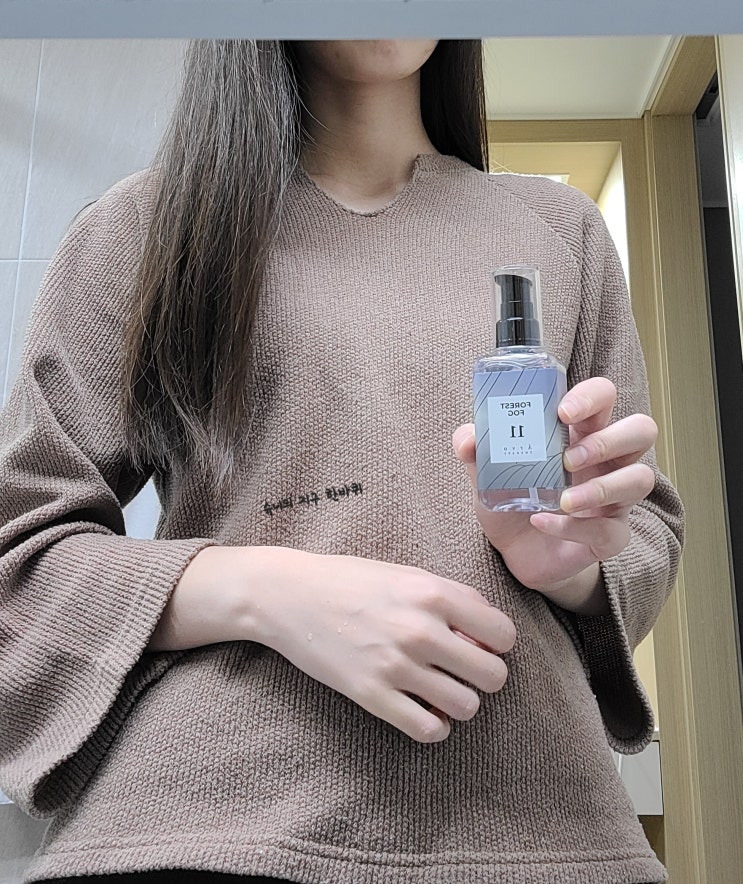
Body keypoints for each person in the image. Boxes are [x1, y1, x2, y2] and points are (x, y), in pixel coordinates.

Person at [0, 39, 683, 884]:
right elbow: (19, 558)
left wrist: (565, 563)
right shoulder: (143, 227)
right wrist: (265, 591)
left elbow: (643, 529)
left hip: (547, 832)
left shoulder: (558, 229)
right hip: (202, 827)